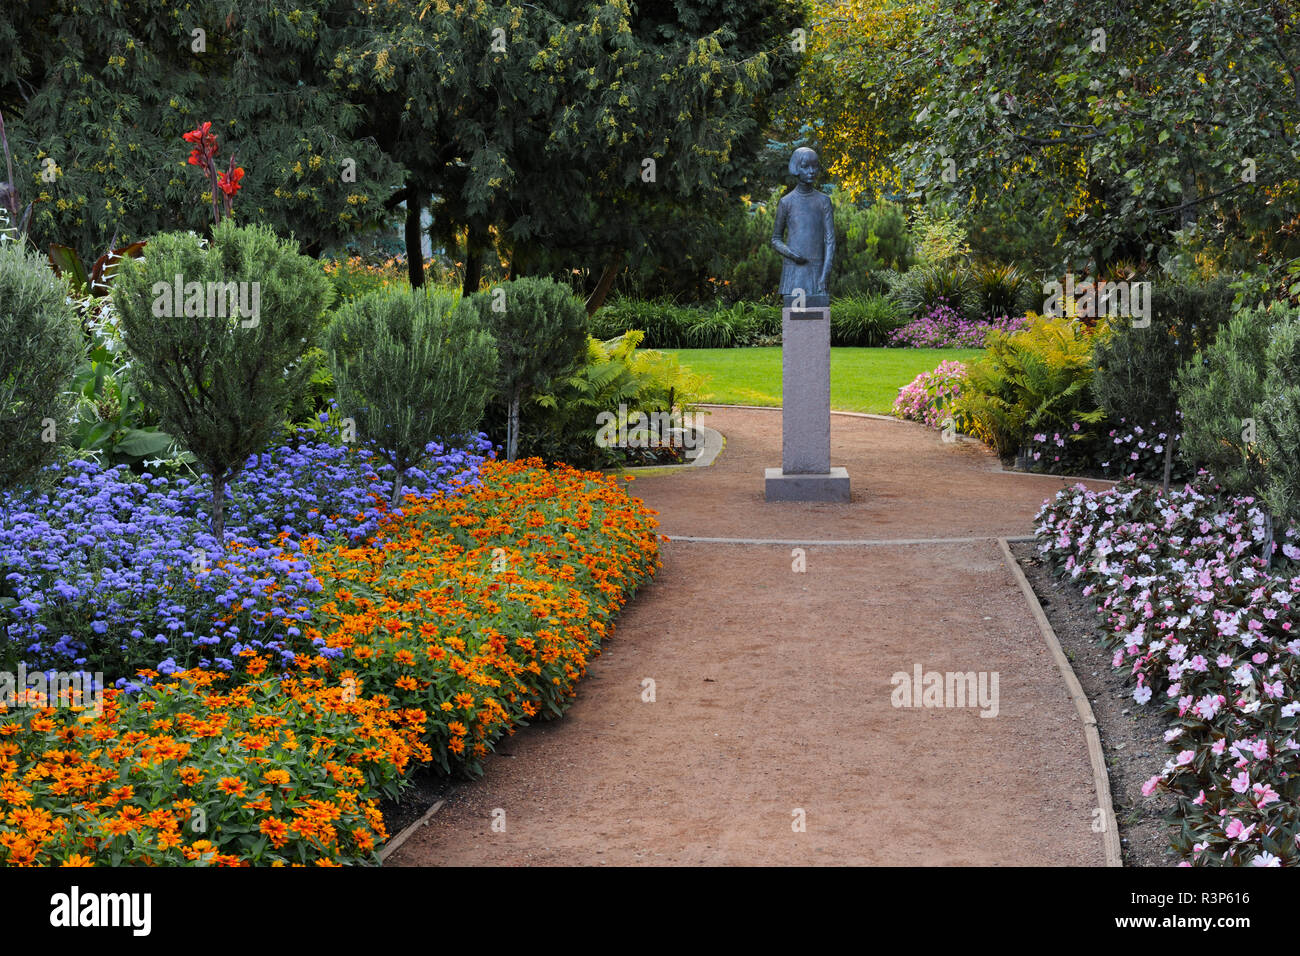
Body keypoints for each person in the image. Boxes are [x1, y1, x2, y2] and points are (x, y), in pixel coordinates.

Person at [771, 147, 835, 306]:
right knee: (795, 319)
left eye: (815, 166)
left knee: (817, 316)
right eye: (806, 166)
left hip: (817, 270)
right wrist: (791, 254)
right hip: (794, 270)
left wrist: (825, 273)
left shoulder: (823, 201)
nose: (811, 171)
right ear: (796, 168)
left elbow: (830, 240)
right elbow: (775, 239)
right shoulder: (786, 202)